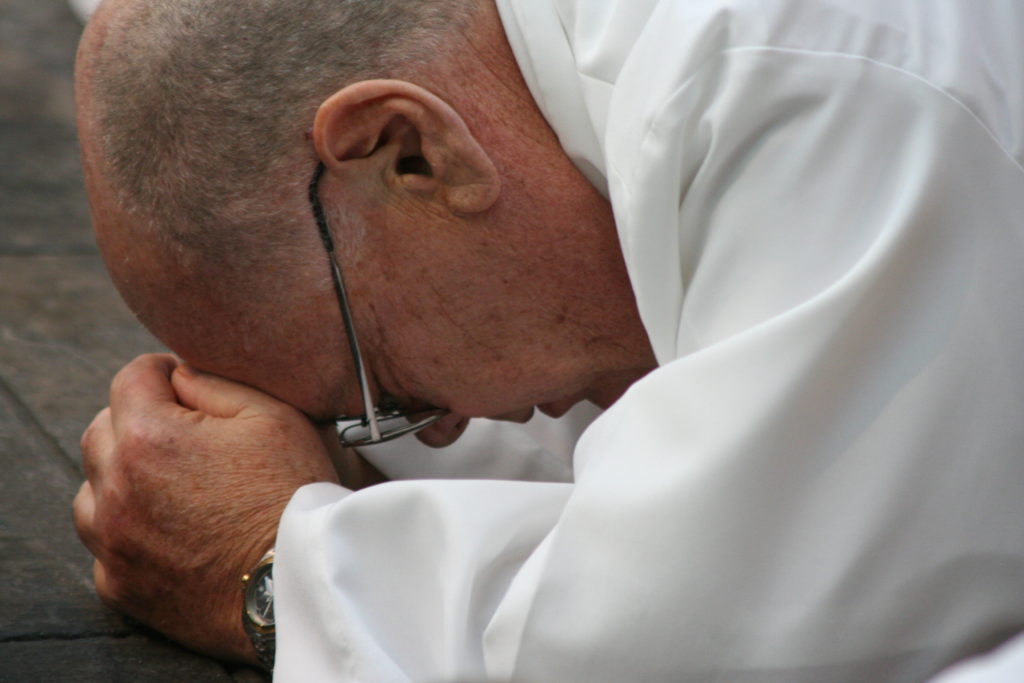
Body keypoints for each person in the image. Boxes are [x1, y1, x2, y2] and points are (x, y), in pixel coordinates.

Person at [72, 0, 1024, 680]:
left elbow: (749, 638)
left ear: (410, 150)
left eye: (386, 386)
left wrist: (275, 571)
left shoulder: (791, 77)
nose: (439, 433)